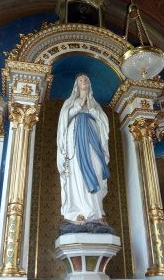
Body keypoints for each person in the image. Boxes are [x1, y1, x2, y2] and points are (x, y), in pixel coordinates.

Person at [57, 74, 110, 226]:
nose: (84, 82)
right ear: (76, 85)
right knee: (78, 174)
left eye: (86, 80)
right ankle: (79, 212)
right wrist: (79, 106)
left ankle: (96, 211)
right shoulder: (70, 102)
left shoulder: (95, 104)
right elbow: (63, 122)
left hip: (93, 143)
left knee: (97, 170)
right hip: (75, 145)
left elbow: (103, 124)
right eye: (81, 80)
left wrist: (92, 109)